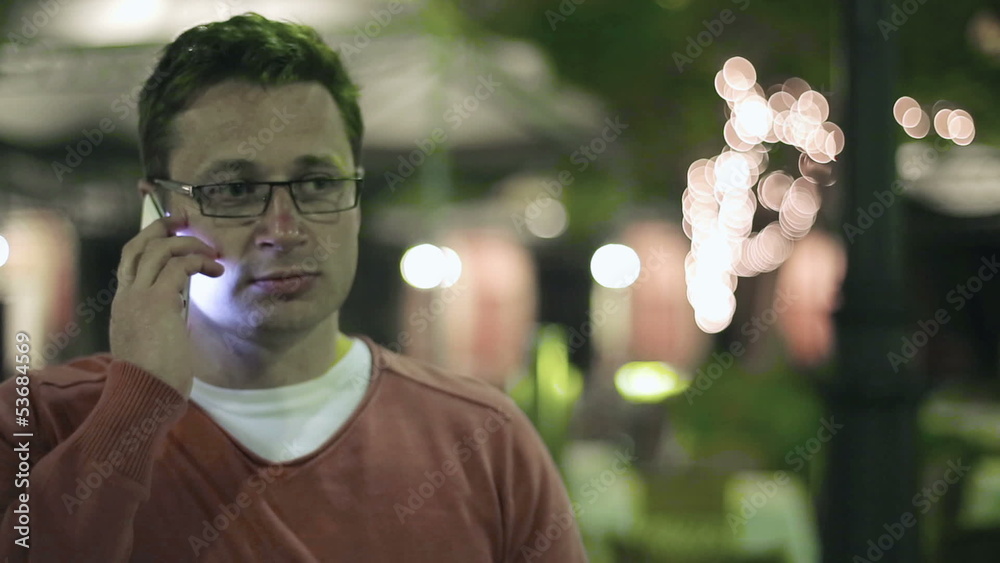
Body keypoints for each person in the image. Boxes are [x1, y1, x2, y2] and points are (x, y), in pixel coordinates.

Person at [0, 13, 587, 562]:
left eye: (318, 182)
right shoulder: (38, 421)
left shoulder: (483, 438)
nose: (283, 229)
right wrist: (134, 408)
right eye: (234, 190)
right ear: (158, 209)